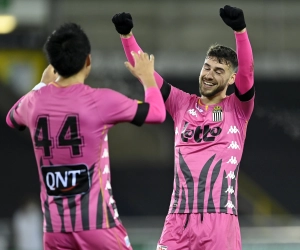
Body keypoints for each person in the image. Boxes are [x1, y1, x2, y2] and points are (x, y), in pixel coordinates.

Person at [6, 23, 166, 250]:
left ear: (53, 63)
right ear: (87, 61)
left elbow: (11, 118)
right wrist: (148, 78)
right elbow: (157, 113)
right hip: (97, 226)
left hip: (54, 230)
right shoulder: (100, 100)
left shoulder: (34, 102)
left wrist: (41, 83)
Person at [112, 5, 254, 250]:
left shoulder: (238, 109)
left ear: (231, 79)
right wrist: (127, 36)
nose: (209, 75)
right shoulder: (180, 103)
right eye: (207, 67)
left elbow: (248, 73)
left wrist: (240, 31)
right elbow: (146, 75)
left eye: (219, 71)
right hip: (177, 221)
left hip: (219, 223)